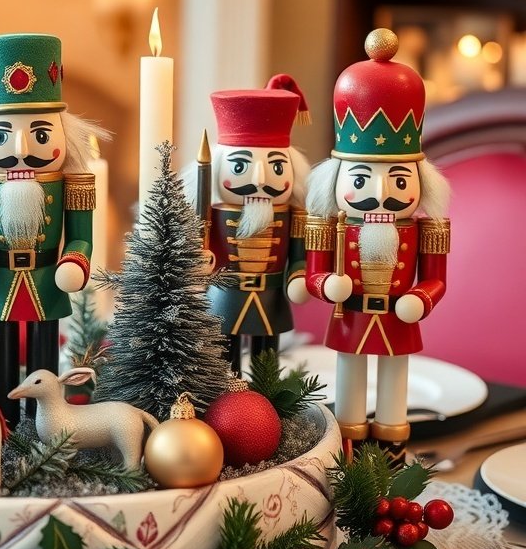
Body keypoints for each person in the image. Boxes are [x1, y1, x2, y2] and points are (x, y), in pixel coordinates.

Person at [304, 28, 450, 462]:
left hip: (399, 319)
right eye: (362, 178)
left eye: (399, 179)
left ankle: (390, 457)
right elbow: (314, 274)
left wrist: (421, 299)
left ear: (420, 181)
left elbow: (437, 281)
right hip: (350, 318)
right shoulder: (330, 225)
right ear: (337, 178)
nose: (380, 192)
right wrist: (326, 284)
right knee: (348, 386)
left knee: (394, 390)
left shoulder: (428, 227)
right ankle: (348, 455)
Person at [0, 34, 101, 425]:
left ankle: (45, 420)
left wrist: (75, 261)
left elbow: (81, 235)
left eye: (41, 134)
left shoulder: (70, 184)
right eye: (1, 135)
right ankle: (3, 418)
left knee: (46, 357)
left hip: (47, 279)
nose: (21, 146)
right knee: (0, 355)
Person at [185, 75, 311, 375]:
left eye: (276, 167)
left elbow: (297, 256)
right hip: (226, 297)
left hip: (271, 297)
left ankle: (267, 402)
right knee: (224, 359)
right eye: (240, 166)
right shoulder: (214, 211)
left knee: (266, 361)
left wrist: (297, 277)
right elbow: (204, 250)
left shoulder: (293, 215)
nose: (259, 180)